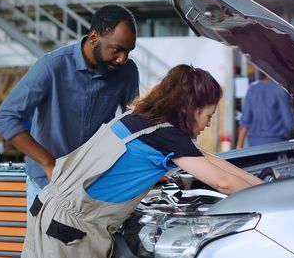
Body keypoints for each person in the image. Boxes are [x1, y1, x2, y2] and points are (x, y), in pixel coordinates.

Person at [21, 64, 263, 258]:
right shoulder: (166, 136)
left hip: (49, 211)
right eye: (208, 115)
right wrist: (266, 200)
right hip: (69, 230)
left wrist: (259, 185)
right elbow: (223, 183)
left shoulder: (142, 119)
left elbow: (206, 158)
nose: (208, 124)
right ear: (192, 107)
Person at [0, 4, 140, 210]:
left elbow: (134, 121)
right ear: (94, 38)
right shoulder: (51, 67)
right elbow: (6, 117)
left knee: (95, 243)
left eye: (128, 52)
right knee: (44, 243)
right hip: (47, 186)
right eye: (117, 50)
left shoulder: (127, 71)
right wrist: (47, 163)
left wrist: (143, 168)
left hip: (93, 183)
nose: (122, 59)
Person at [236, 73, 294, 149]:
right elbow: (289, 122)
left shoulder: (252, 88)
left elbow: (244, 121)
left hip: (254, 145)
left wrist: (239, 147)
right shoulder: (280, 89)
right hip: (276, 143)